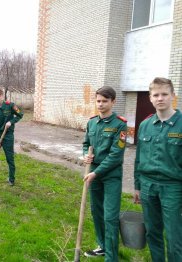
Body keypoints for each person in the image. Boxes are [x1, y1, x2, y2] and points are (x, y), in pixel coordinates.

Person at [134, 77, 182, 262]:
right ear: (150, 98)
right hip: (147, 187)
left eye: (164, 94)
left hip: (172, 187)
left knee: (174, 236)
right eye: (156, 95)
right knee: (152, 233)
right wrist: (138, 186)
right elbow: (138, 158)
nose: (160, 98)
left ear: (173, 96)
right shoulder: (146, 125)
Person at [82, 86, 127, 261]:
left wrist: (96, 173)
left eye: (104, 101)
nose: (100, 104)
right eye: (98, 101)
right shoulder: (92, 122)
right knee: (96, 211)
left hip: (110, 175)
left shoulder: (120, 124)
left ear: (113, 102)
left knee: (110, 215)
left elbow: (116, 155)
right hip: (92, 172)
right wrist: (85, 155)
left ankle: (112, 256)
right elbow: (86, 143)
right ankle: (103, 245)